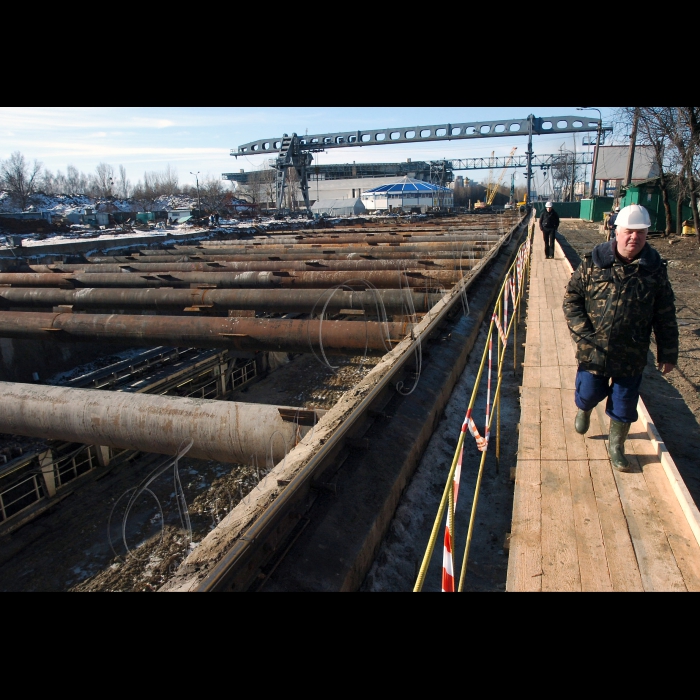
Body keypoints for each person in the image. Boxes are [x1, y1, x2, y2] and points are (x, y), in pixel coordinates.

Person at [562, 204, 678, 472]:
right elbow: (572, 299)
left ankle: (616, 447)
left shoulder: (655, 271)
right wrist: (583, 335)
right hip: (594, 349)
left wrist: (668, 354)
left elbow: (665, 315)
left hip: (632, 353)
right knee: (589, 392)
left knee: (624, 405)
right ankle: (585, 408)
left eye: (640, 232)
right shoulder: (594, 263)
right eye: (629, 231)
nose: (634, 238)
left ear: (647, 234)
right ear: (617, 232)